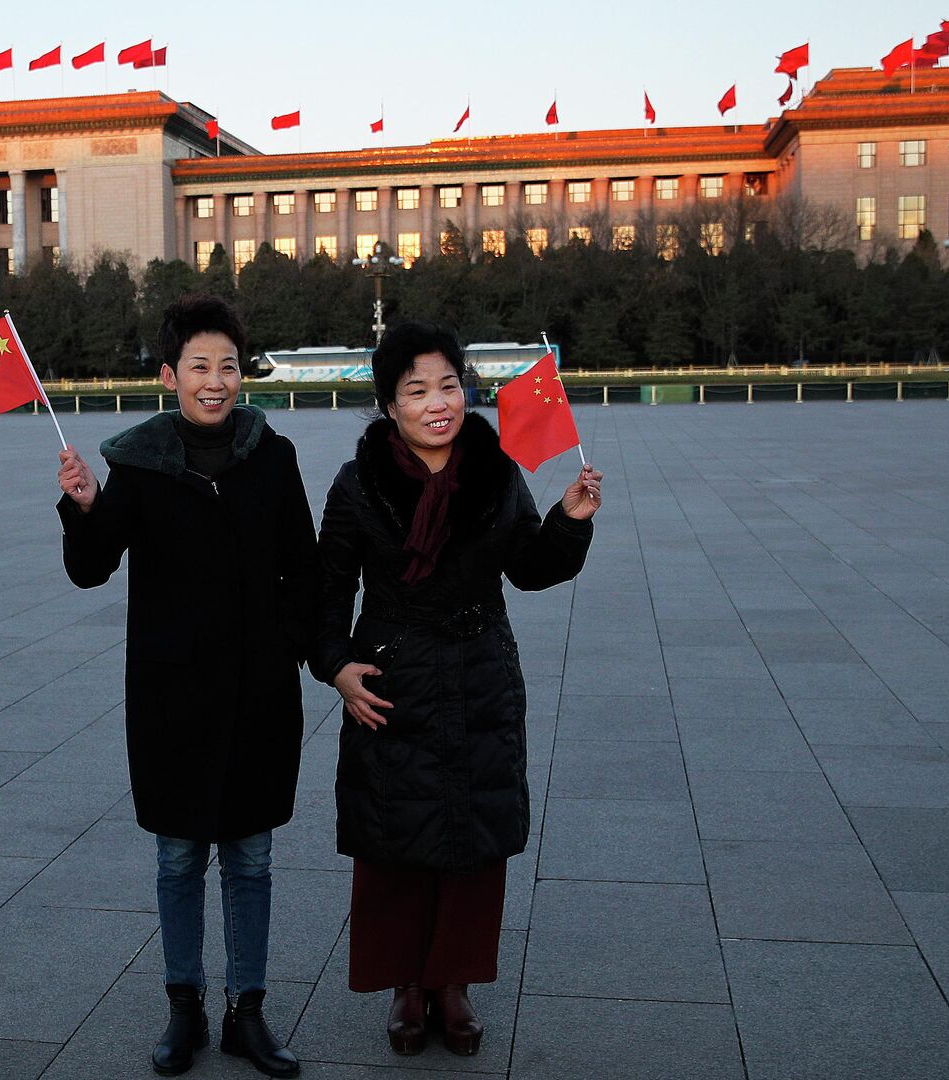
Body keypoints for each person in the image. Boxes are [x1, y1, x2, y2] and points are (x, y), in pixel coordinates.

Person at [312, 322, 599, 1057]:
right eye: (417, 391)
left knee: (474, 837)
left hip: (478, 676)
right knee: (394, 836)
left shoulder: (495, 471)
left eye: (447, 385)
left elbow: (531, 568)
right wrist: (336, 666)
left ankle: (453, 983)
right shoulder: (357, 485)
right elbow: (325, 590)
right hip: (392, 681)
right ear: (388, 405)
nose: (437, 403)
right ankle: (406, 985)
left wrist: (568, 520)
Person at [55, 294, 318, 1078]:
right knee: (178, 859)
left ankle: (249, 1012)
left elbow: (303, 568)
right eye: (199, 367)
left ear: (243, 373)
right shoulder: (138, 463)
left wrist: (312, 653)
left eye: (228, 366)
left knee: (252, 857)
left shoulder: (273, 455)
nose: (215, 381)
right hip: (172, 701)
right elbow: (89, 567)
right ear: (170, 375)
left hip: (258, 695)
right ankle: (184, 1007)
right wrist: (86, 506)